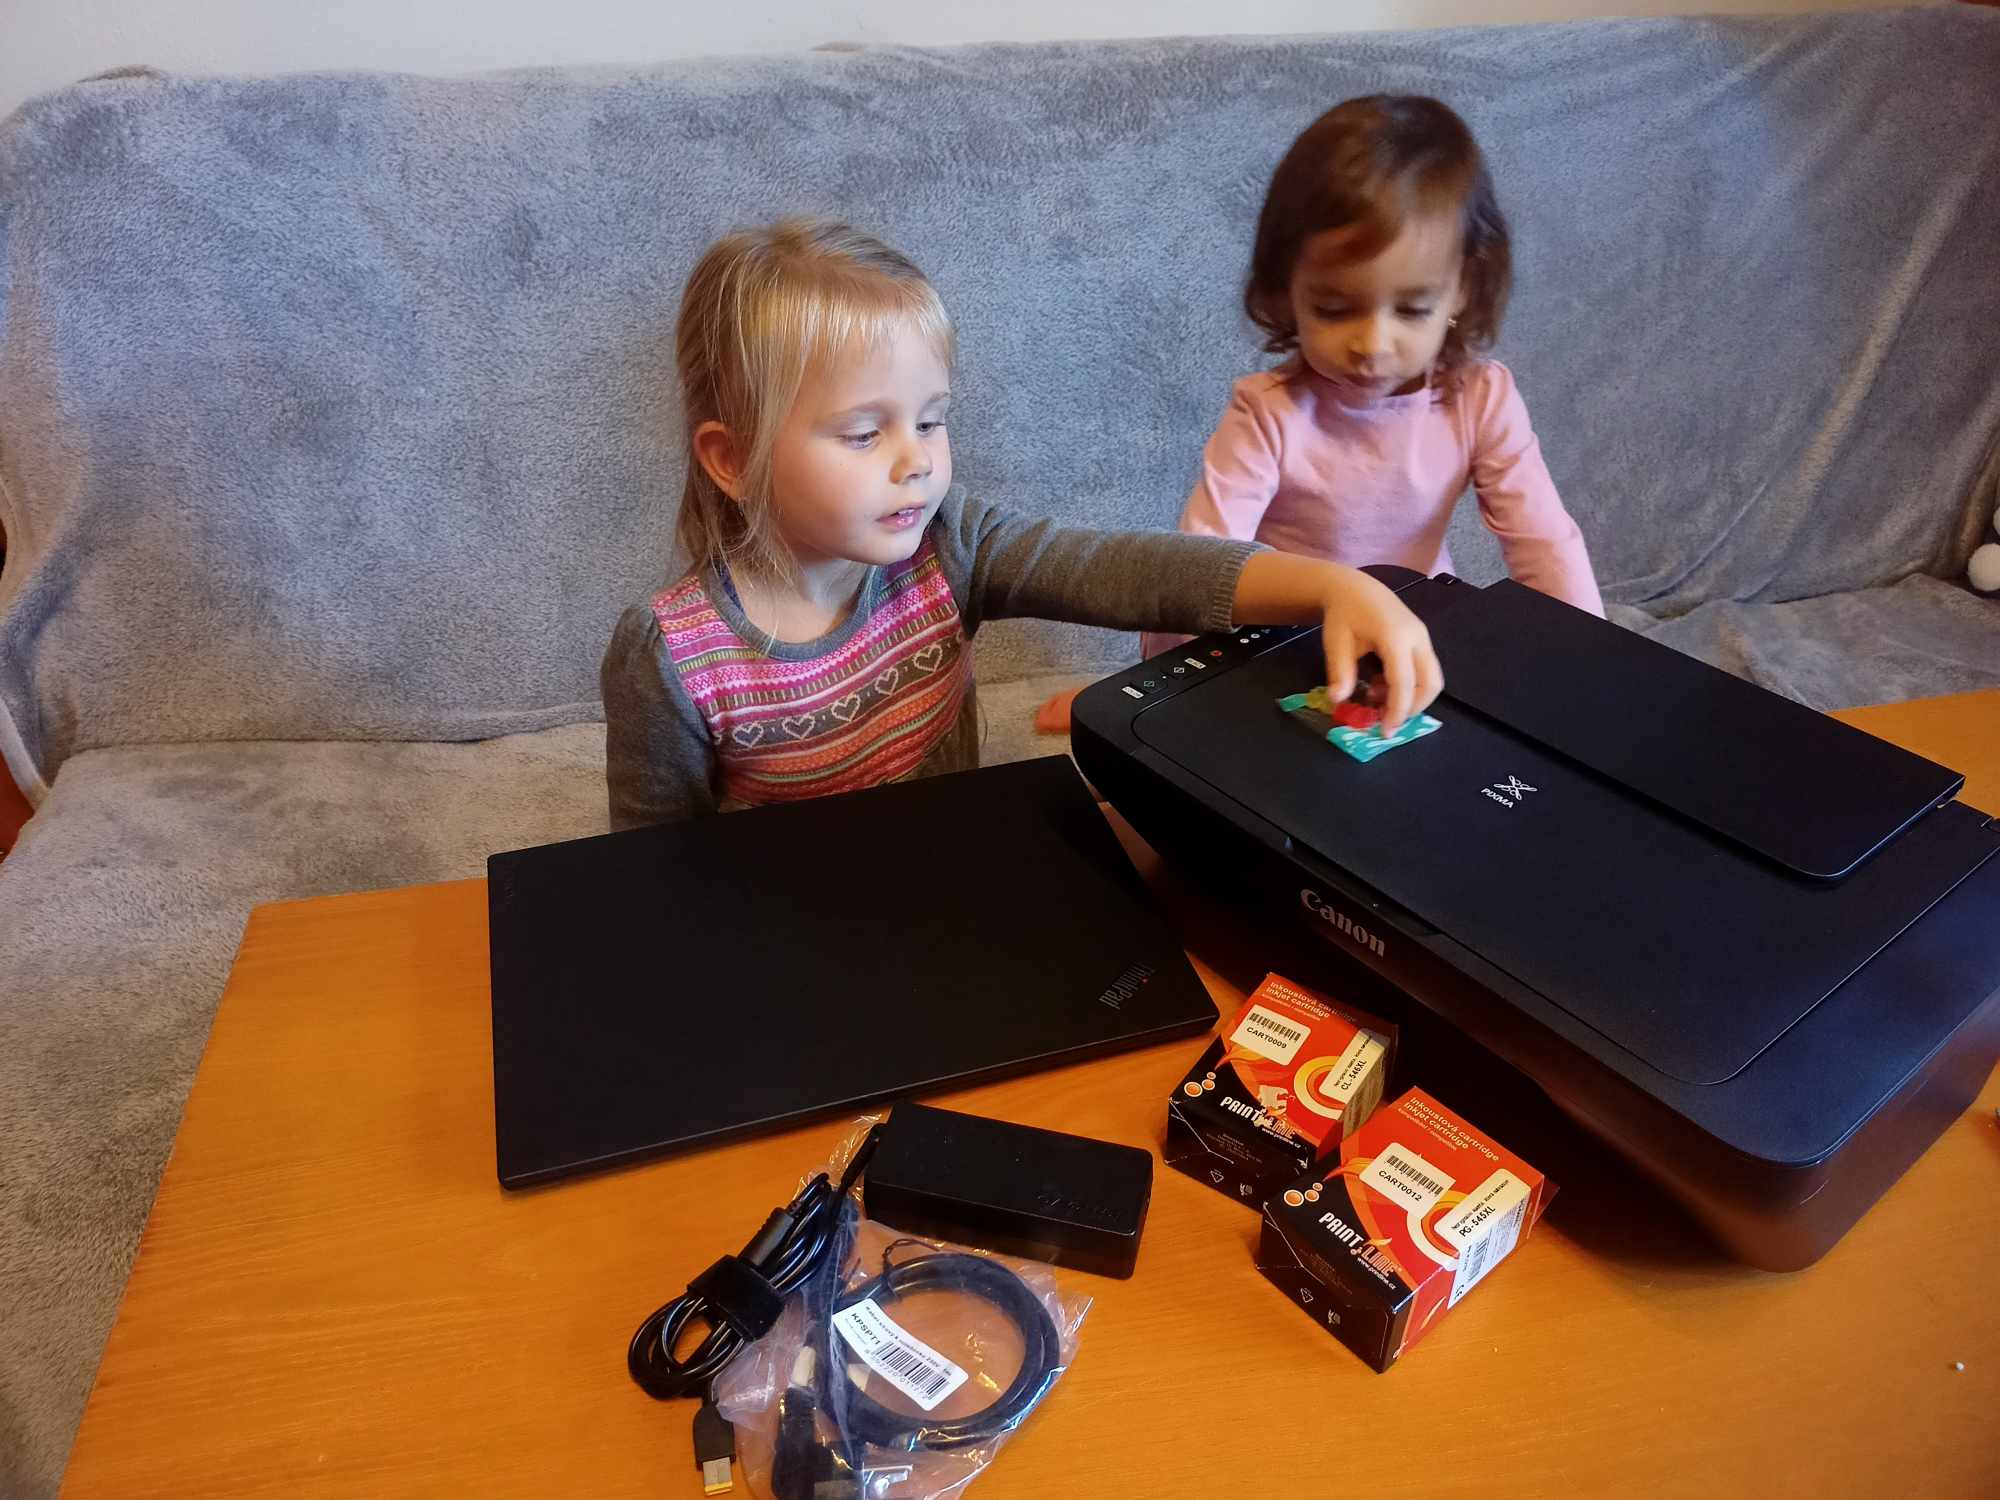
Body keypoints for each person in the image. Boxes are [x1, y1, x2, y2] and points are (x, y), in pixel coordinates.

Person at [602, 217, 1442, 829]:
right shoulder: (670, 658)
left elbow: (1127, 570)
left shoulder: (948, 543)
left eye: (930, 420)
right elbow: (654, 871)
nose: (916, 460)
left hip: (955, 873)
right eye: (863, 434)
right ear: (732, 459)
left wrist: (1335, 588)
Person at [1036, 95, 1600, 734]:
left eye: (1412, 309)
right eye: (1334, 309)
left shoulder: (1481, 398)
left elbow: (1544, 541)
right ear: (1286, 291)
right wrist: (1155, 694)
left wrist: (1592, 664)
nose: (1373, 344)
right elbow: (1201, 561)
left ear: (1463, 287)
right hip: (1272, 641)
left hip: (1408, 633)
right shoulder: (1269, 412)